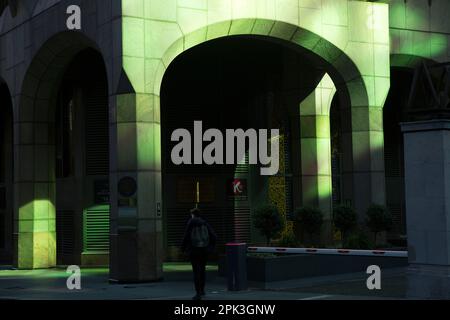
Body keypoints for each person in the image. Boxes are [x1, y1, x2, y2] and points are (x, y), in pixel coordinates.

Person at [181, 207, 217, 300]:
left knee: (196, 271)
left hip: (194, 250)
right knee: (202, 270)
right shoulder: (205, 223)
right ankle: (202, 290)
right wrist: (210, 247)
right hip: (204, 250)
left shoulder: (191, 223)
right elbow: (214, 236)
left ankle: (198, 294)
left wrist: (183, 248)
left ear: (193, 215)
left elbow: (186, 236)